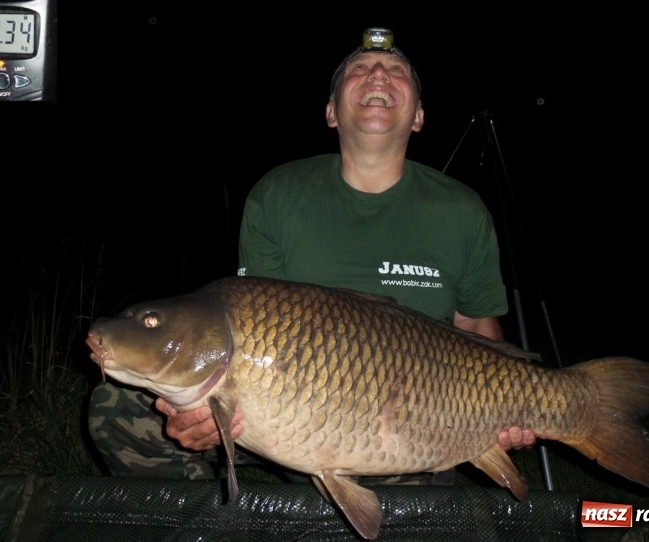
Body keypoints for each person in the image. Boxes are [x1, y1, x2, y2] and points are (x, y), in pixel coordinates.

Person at [88, 27, 534, 482]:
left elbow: (478, 327)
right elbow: (256, 324)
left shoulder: (460, 209)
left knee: (392, 462)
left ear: (418, 115)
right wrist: (201, 420)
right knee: (115, 408)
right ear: (331, 112)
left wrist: (505, 405)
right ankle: (211, 527)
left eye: (396, 70)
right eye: (358, 69)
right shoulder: (279, 194)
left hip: (415, 411)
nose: (377, 73)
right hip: (288, 412)